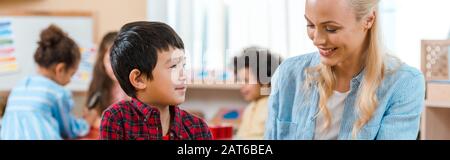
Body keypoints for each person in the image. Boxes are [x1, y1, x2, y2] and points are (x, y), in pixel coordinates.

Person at [265, 0, 425, 140]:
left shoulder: (404, 84)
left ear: (369, 20)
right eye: (310, 25)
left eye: (331, 28)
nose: (317, 39)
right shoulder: (288, 73)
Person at [100, 21, 212, 140]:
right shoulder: (116, 119)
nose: (183, 75)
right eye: (173, 66)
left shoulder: (198, 128)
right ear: (138, 79)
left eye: (183, 65)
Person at [0, 25, 93, 140]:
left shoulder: (19, 87)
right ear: (60, 69)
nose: (70, 80)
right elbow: (69, 130)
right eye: (72, 74)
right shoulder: (58, 93)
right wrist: (87, 121)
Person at [82, 32, 129, 139]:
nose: (115, 67)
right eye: (109, 61)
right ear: (102, 61)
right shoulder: (98, 86)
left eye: (120, 61)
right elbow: (89, 121)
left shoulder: (135, 87)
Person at [233, 47, 282, 140]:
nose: (241, 85)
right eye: (240, 81)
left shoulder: (274, 106)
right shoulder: (250, 107)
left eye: (246, 80)